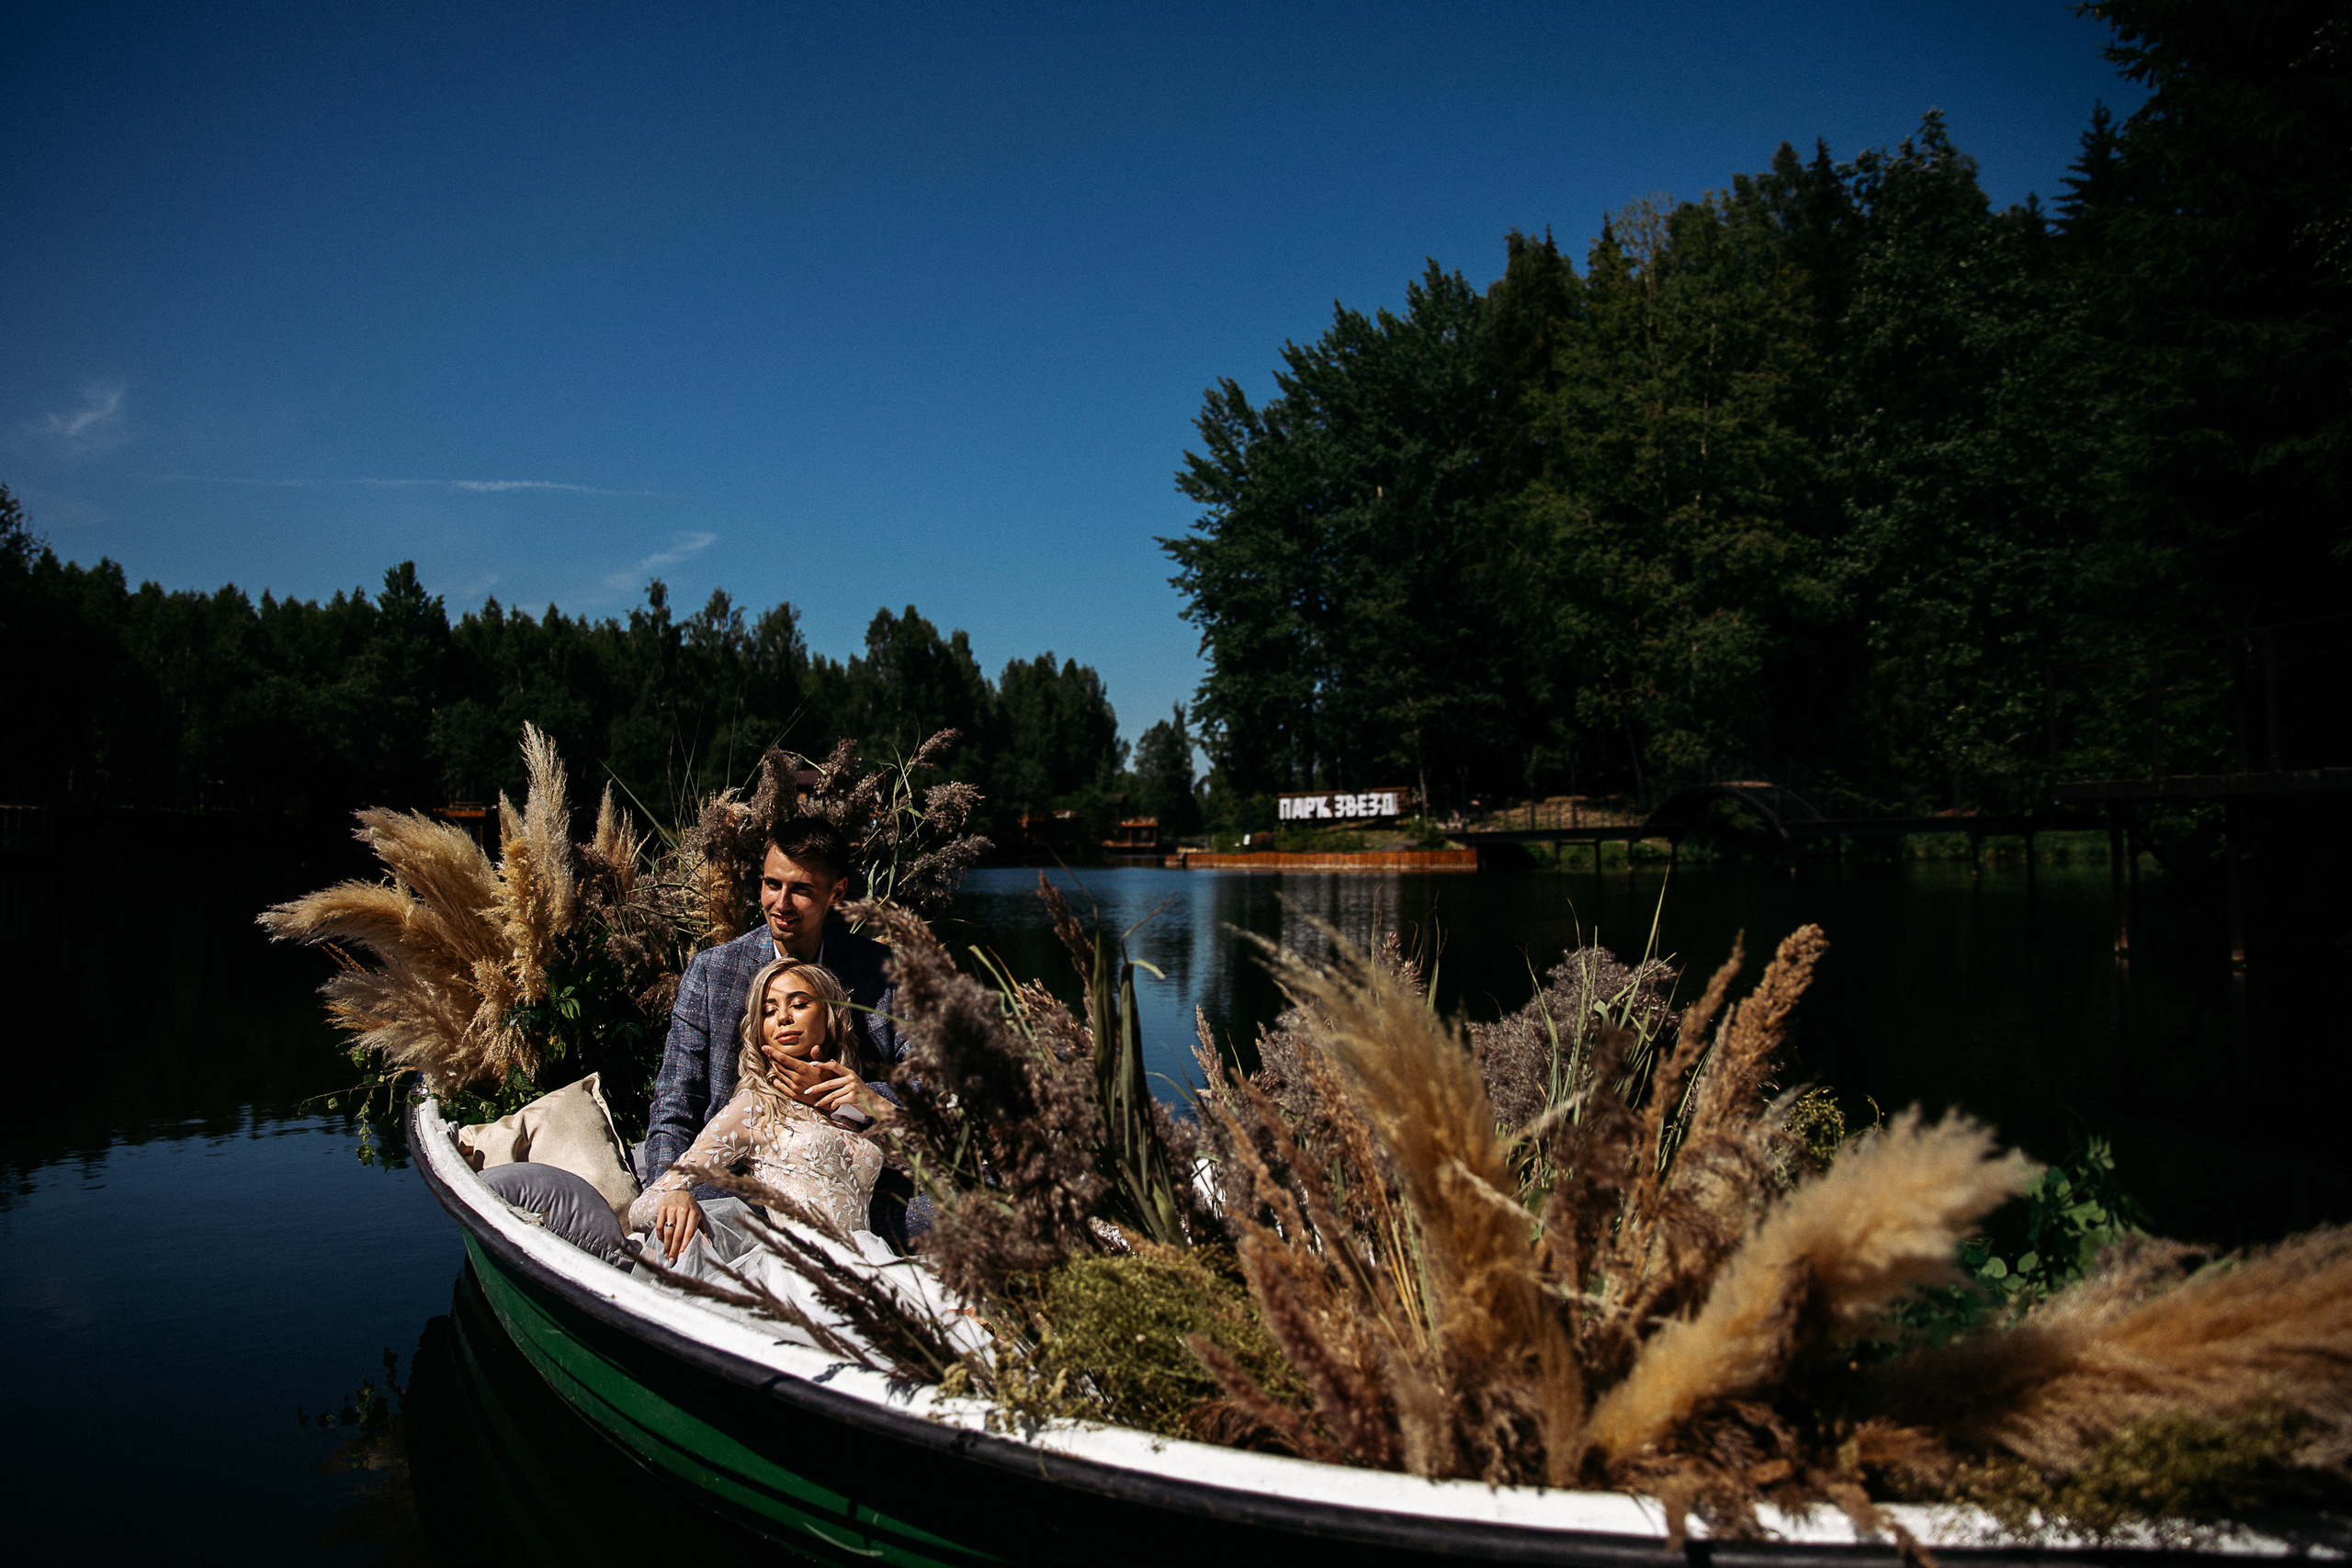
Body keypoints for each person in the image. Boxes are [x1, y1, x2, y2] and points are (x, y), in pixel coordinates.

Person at [642, 816, 904, 1189]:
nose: (781, 903)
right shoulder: (713, 971)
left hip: (856, 1176)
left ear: (837, 893)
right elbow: (675, 1102)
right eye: (771, 884)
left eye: (800, 889)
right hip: (736, 1183)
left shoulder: (881, 970)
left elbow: (931, 1083)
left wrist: (859, 1095)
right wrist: (669, 1192)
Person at [632, 957, 885, 1259]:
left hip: (869, 1262)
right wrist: (674, 1198)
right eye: (769, 1010)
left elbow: (926, 1164)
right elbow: (640, 1209)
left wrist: (872, 1104)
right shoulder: (754, 1108)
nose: (783, 1018)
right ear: (760, 1028)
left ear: (829, 1016)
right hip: (802, 1270)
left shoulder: (851, 1111)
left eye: (800, 1004)